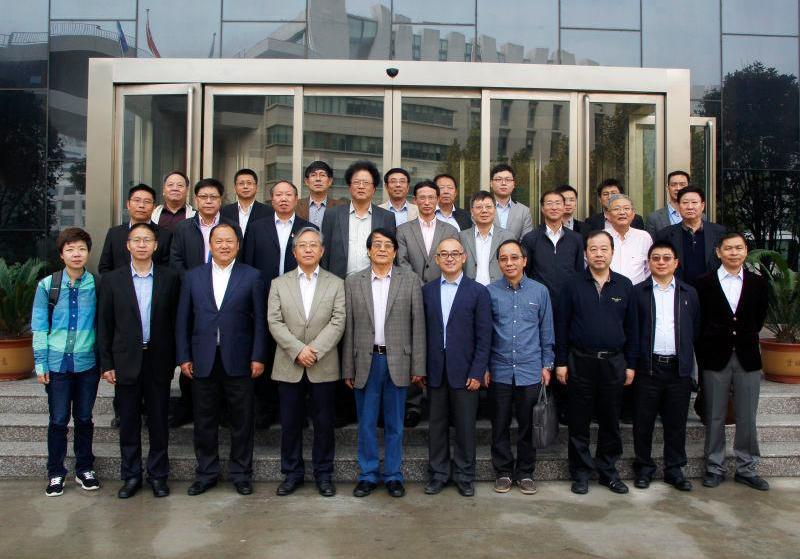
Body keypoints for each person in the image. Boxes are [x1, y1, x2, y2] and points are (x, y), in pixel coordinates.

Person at [176, 222, 266, 497]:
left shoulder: (252, 276)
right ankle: (206, 473)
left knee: (242, 420)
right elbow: (183, 320)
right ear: (210, 244)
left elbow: (260, 321)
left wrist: (258, 356)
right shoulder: (193, 277)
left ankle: (241, 473)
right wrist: (184, 356)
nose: (224, 246)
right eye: (219, 241)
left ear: (238, 245)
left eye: (230, 241)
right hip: (203, 358)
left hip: (240, 358)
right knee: (204, 420)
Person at [97, 222, 181, 499]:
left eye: (147, 240)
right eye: (137, 240)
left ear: (156, 245)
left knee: (158, 421)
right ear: (128, 245)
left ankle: (158, 475)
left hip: (158, 360)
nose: (142, 244)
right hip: (125, 360)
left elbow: (176, 322)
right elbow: (104, 325)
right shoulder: (112, 280)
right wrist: (107, 363)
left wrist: (177, 358)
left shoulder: (170, 278)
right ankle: (131, 475)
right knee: (129, 422)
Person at [342, 229, 426, 498]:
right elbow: (348, 327)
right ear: (368, 251)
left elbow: (418, 325)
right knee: (366, 423)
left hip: (398, 361)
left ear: (395, 252)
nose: (381, 249)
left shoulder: (410, 280)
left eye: (387, 245)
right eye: (376, 245)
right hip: (365, 361)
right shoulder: (353, 282)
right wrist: (348, 367)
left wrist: (418, 367)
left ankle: (393, 475)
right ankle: (367, 475)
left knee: (395, 424)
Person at [556, 230, 638, 495]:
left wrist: (631, 364)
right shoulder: (571, 284)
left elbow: (633, 329)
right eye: (593, 249)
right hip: (580, 361)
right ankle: (580, 473)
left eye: (604, 249)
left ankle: (608, 471)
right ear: (585, 254)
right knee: (579, 422)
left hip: (614, 363)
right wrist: (561, 362)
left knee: (610, 421)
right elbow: (561, 325)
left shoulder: (624, 285)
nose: (599, 254)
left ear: (612, 252)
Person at [267, 227, 345, 498]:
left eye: (313, 245)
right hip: (289, 364)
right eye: (303, 245)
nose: (308, 249)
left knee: (324, 424)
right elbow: (274, 321)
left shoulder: (336, 283)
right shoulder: (279, 283)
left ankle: (324, 475)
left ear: (322, 251)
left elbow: (338, 321)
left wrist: (315, 350)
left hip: (324, 364)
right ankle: (292, 473)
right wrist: (298, 350)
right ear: (294, 252)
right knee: (290, 424)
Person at [696, 232, 770, 491]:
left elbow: (759, 319)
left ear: (746, 251)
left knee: (747, 416)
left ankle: (747, 468)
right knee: (714, 415)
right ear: (719, 252)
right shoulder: (703, 283)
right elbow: (700, 320)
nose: (734, 253)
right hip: (715, 357)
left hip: (747, 357)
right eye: (728, 248)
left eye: (739, 248)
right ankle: (714, 467)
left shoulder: (758, 283)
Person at [31, 227, 101, 497]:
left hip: (87, 363)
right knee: (58, 420)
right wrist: (40, 364)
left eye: (81, 249)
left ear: (88, 253)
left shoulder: (97, 285)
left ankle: (85, 468)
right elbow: (39, 326)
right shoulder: (47, 285)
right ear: (61, 254)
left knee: (84, 418)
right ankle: (55, 472)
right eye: (70, 249)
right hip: (57, 364)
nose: (76, 254)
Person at [242, 180, 316, 428]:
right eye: (278, 195)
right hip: (263, 298)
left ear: (296, 199)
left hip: (299, 300)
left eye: (288, 195)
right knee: (266, 352)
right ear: (271, 199)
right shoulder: (256, 228)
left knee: (295, 352)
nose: (283, 199)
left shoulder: (308, 228)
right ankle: (266, 410)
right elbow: (248, 264)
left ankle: (296, 413)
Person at [169, 178, 241, 428]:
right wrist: (196, 284)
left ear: (221, 200)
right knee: (195, 349)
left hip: (225, 297)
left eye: (214, 197)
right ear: (196, 199)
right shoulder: (183, 227)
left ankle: (222, 411)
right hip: (193, 296)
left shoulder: (231, 227)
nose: (209, 201)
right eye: (204, 197)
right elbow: (175, 260)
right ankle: (188, 406)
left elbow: (239, 258)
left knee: (223, 357)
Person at [422, 238, 491, 497]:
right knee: (436, 428)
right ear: (436, 259)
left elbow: (484, 336)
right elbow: (422, 333)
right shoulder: (427, 291)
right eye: (444, 254)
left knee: (465, 427)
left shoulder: (478, 292)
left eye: (454, 253)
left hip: (466, 373)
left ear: (464, 257)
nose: (449, 258)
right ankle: (438, 474)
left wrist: (477, 371)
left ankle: (465, 476)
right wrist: (422, 368)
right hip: (435, 371)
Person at [486, 240, 554, 495]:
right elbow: (485, 334)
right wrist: (484, 367)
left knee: (528, 424)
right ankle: (503, 471)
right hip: (499, 369)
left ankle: (525, 473)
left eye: (514, 257)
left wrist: (547, 364)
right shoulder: (489, 292)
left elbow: (546, 330)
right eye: (504, 259)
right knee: (499, 423)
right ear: (498, 263)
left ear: (524, 261)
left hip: (530, 369)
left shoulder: (540, 292)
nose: (509, 263)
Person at [632, 241, 699, 492]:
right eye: (656, 258)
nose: (661, 262)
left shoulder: (689, 293)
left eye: (666, 258)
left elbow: (695, 328)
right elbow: (632, 329)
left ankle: (674, 469)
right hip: (648, 367)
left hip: (678, 369)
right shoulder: (637, 292)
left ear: (676, 263)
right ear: (649, 263)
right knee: (643, 422)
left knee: (676, 423)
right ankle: (644, 468)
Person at [396, 180, 458, 426]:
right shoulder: (403, 229)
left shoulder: (449, 229)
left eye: (431, 197)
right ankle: (413, 404)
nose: (427, 202)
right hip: (411, 294)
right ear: (415, 200)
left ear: (438, 199)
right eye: (422, 197)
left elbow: (453, 261)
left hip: (444, 293)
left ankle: (441, 402)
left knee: (441, 343)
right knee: (414, 345)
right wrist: (421, 287)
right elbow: (401, 262)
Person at [320, 160, 396, 279]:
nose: (361, 186)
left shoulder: (386, 217)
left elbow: (391, 253)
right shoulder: (332, 214)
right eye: (356, 182)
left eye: (366, 183)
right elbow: (324, 253)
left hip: (374, 282)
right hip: (339, 282)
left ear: (374, 189)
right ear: (350, 187)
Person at [521, 190, 584, 306]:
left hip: (568, 300)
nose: (554, 207)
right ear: (542, 208)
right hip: (538, 300)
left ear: (564, 208)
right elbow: (526, 272)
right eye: (549, 203)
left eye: (558, 203)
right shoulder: (530, 238)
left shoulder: (576, 238)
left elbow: (579, 271)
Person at [655, 186, 725, 286]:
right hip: (678, 290)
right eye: (685, 203)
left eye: (694, 202)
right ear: (678, 206)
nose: (690, 207)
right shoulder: (665, 235)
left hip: (712, 289)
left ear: (702, 206)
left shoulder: (719, 232)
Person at [98, 184, 171, 273]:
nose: (141, 205)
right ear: (128, 204)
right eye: (137, 200)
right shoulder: (114, 233)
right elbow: (104, 267)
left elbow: (168, 270)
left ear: (154, 207)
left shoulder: (166, 235)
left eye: (147, 201)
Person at [459, 190, 514, 286]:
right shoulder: (461, 237)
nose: (484, 211)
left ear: (495, 210)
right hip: (469, 289)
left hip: (499, 290)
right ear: (472, 211)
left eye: (488, 207)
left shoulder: (507, 237)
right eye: (479, 207)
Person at [606, 194, 653, 286]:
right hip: (607, 289)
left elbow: (649, 268)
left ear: (633, 214)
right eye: (616, 209)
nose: (622, 212)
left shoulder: (644, 237)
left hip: (637, 291)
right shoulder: (601, 237)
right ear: (608, 215)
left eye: (626, 208)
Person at [220, 168, 272, 235]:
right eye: (241, 183)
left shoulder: (268, 212)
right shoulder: (224, 212)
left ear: (256, 187)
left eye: (249, 183)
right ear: (235, 187)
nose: (245, 186)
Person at [490, 164, 533, 240]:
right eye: (499, 179)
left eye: (508, 180)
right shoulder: (481, 209)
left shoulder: (524, 211)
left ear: (514, 184)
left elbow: (526, 241)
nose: (503, 183)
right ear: (491, 183)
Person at [296, 161, 345, 228]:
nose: (318, 179)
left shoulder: (341, 207)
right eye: (313, 175)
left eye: (322, 175)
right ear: (307, 181)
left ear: (330, 181)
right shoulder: (295, 205)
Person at [645, 171, 690, 236]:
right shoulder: (654, 218)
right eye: (673, 185)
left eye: (682, 185)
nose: (678, 188)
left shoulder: (701, 217)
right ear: (667, 188)